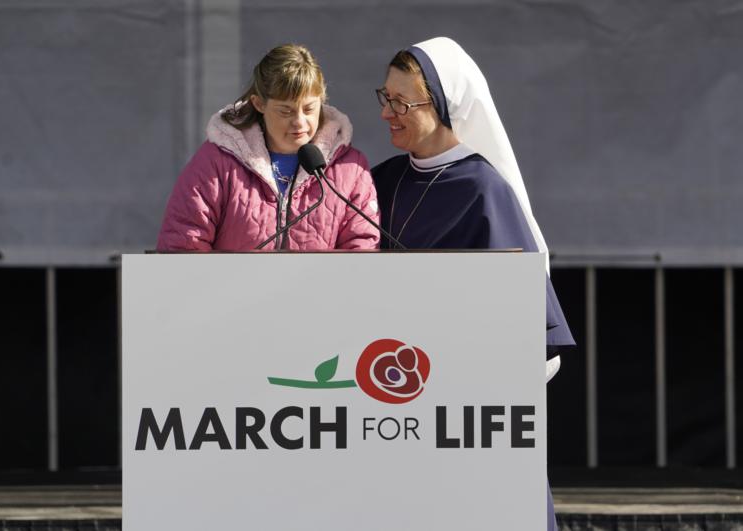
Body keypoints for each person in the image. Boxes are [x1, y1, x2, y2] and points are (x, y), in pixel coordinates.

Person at [371, 37, 574, 531]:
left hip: (459, 416)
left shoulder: (483, 190)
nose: (388, 114)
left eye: (403, 103)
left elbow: (519, 326)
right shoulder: (378, 181)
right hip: (386, 406)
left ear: (444, 107)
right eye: (386, 97)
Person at [157, 44, 379, 251]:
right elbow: (183, 245)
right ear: (259, 104)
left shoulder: (351, 168)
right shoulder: (216, 162)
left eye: (310, 108)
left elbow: (361, 251)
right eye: (286, 111)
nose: (300, 122)